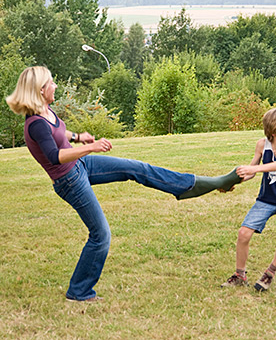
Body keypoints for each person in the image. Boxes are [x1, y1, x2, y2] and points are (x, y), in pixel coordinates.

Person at [6, 66, 243, 302]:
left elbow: (58, 134)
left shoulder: (46, 112)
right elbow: (54, 155)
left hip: (80, 167)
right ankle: (79, 291)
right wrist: (89, 147)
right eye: (51, 83)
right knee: (100, 235)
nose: (55, 86)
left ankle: (191, 185)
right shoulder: (35, 123)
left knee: (136, 168)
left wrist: (78, 137)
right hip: (68, 180)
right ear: (40, 89)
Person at [221, 108, 276, 292]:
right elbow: (251, 171)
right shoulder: (262, 145)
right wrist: (233, 182)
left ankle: (270, 272)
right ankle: (240, 275)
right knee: (243, 234)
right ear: (273, 130)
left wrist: (254, 170)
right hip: (266, 200)